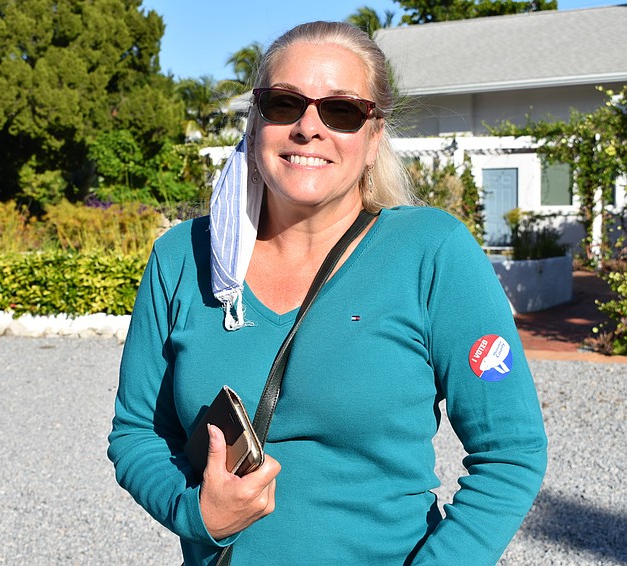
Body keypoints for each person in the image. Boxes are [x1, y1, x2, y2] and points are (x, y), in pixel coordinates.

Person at [108, 21, 547, 566]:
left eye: (341, 110)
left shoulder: (433, 253)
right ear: (255, 120)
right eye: (284, 103)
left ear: (374, 135)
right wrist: (194, 512)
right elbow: (138, 433)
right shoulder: (181, 257)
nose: (308, 127)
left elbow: (510, 453)